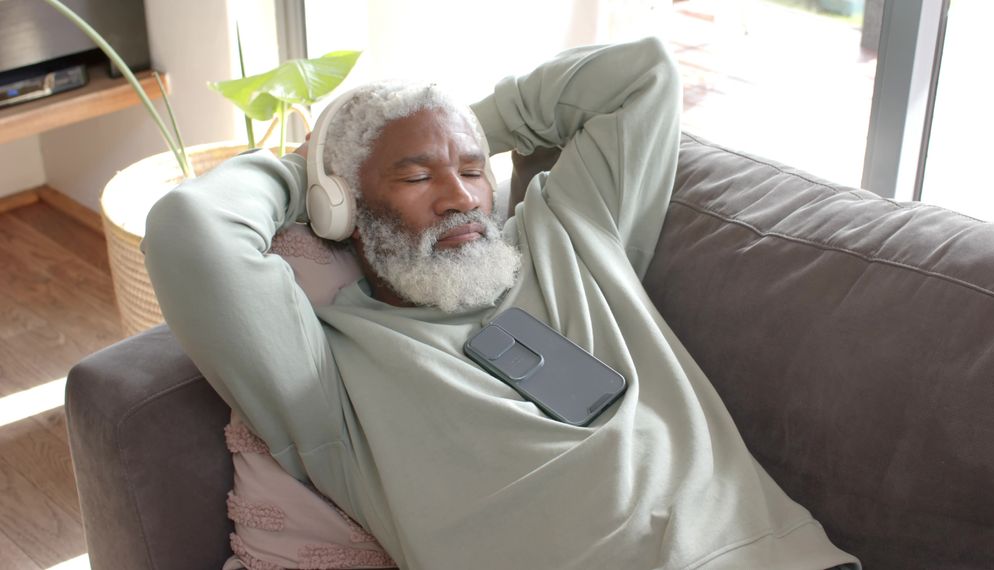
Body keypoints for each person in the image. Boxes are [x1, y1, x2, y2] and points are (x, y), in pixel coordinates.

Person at [143, 38, 860, 569]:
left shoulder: (569, 234)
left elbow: (641, 75)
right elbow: (187, 233)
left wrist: (450, 122)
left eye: (473, 170)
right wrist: (308, 175)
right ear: (347, 209)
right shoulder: (328, 378)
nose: (460, 195)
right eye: (418, 175)